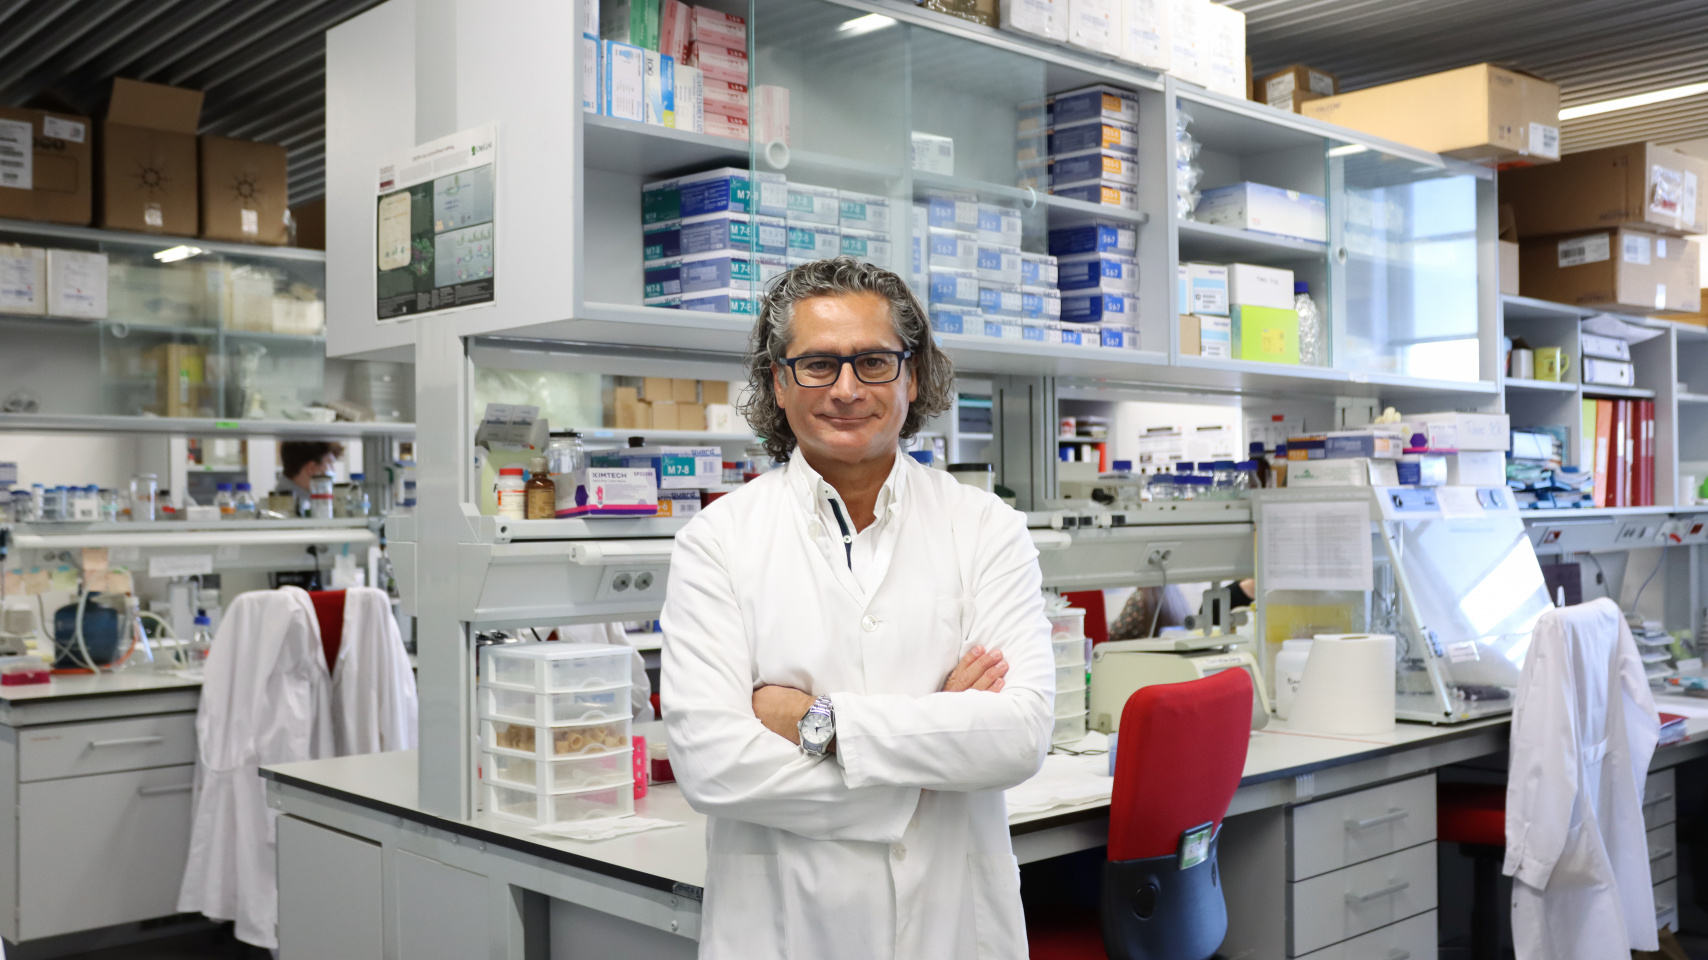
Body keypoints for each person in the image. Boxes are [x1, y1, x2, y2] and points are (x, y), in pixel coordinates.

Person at [661, 257, 1055, 960]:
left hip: (954, 930)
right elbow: (712, 763)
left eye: (873, 362)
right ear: (778, 383)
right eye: (817, 365)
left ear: (912, 376)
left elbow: (1019, 734)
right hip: (783, 932)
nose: (846, 389)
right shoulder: (718, 540)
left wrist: (816, 722)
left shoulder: (986, 528)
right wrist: (928, 766)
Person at [277, 441, 344, 516]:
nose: (333, 470)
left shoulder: (302, 503)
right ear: (311, 468)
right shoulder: (298, 510)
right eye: (329, 463)